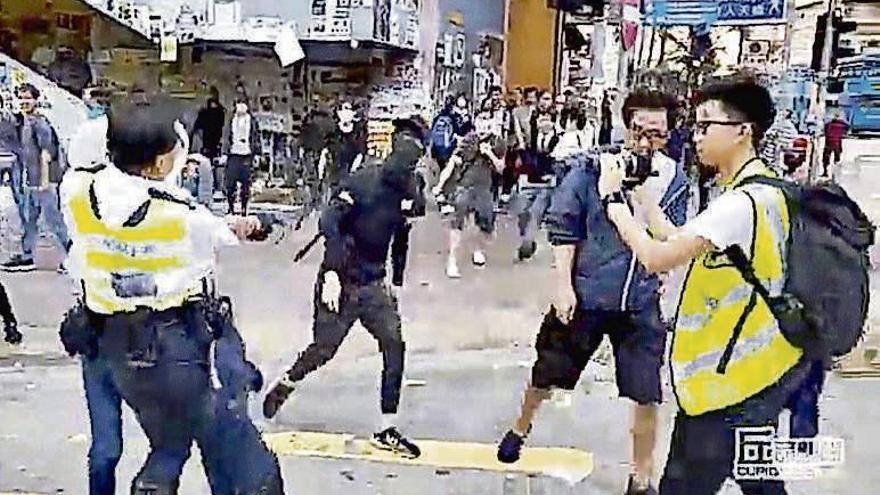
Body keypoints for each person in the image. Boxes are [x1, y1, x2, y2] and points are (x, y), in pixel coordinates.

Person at [598, 76, 811, 494]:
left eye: (704, 126)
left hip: (725, 386)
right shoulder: (758, 190)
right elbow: (679, 238)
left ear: (742, 132)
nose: (694, 137)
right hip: (757, 376)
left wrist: (611, 201)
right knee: (760, 482)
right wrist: (641, 197)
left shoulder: (740, 204)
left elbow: (658, 257)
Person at [60, 98, 283, 494]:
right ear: (161, 163)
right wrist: (257, 224)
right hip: (175, 346)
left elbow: (86, 151)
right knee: (248, 462)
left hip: (118, 350)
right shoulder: (177, 214)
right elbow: (222, 234)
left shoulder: (78, 193)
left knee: (168, 445)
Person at [496, 89, 689, 495]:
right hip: (586, 294)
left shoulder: (675, 180)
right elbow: (566, 227)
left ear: (670, 135)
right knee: (547, 372)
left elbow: (673, 235)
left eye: (655, 134)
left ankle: (641, 478)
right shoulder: (593, 169)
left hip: (639, 301)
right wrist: (562, 285)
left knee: (646, 390)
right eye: (638, 131)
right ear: (625, 127)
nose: (644, 142)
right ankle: (520, 425)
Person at [262, 118, 428, 459]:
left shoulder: (412, 190)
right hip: (341, 277)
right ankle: (288, 382)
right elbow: (328, 221)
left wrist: (396, 281)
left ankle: (387, 427)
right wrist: (333, 274)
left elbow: (402, 235)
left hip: (374, 283)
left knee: (394, 345)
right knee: (324, 349)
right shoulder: (363, 180)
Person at [1, 83, 69, 273]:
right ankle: (27, 254)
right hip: (30, 180)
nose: (24, 102)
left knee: (54, 220)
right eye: (21, 98)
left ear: (36, 100)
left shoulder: (39, 122)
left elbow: (46, 153)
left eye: (27, 98)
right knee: (29, 218)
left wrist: (44, 182)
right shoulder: (24, 121)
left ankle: (71, 256)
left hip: (42, 181)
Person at [432, 109, 507, 278]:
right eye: (480, 123)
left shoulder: (498, 142)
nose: (483, 127)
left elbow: (501, 168)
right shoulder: (468, 140)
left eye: (487, 124)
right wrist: (440, 184)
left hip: (484, 189)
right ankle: (452, 261)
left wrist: (489, 153)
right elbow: (453, 162)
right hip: (464, 187)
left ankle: (478, 249)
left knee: (486, 225)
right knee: (457, 223)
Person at [511, 110, 559, 261]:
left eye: (547, 120)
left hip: (546, 183)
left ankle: (527, 244)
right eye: (541, 120)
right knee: (522, 212)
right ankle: (527, 239)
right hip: (528, 180)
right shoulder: (531, 139)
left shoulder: (558, 140)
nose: (544, 123)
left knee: (536, 214)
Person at [223, 98, 261, 215]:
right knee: (230, 183)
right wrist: (225, 153)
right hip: (233, 154)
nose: (241, 107)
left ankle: (244, 207)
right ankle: (230, 206)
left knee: (246, 183)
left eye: (243, 105)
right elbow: (226, 136)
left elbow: (256, 137)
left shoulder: (252, 121)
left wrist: (257, 154)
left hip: (246, 154)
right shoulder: (231, 120)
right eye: (239, 105)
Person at [192, 88, 226, 191]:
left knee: (213, 165)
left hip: (214, 142)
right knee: (207, 165)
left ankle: (215, 186)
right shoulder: (209, 112)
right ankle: (211, 186)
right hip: (207, 142)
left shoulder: (219, 112)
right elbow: (197, 127)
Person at [759, 109, 798, 173]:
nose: (781, 113)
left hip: (778, 153)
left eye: (783, 111)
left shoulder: (785, 125)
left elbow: (789, 140)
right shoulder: (778, 124)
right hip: (774, 153)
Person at [823, 111, 849, 177]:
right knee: (837, 157)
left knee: (826, 157)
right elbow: (847, 127)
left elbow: (825, 130)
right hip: (837, 142)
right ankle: (835, 172)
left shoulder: (829, 124)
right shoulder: (842, 124)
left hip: (829, 142)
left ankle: (825, 171)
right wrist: (844, 133)